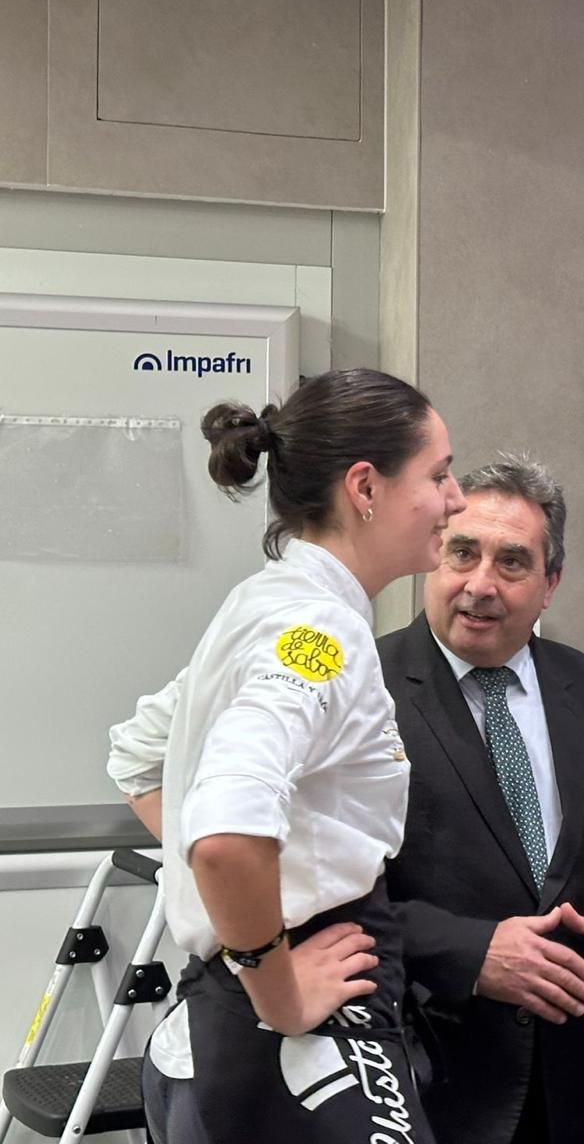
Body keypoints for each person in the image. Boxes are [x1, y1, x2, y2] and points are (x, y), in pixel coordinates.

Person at [106, 367, 468, 1142]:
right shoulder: (317, 634)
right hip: (293, 1023)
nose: (457, 498)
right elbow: (226, 836)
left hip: (234, 1008)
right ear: (365, 488)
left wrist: (238, 908)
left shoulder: (267, 605)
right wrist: (278, 985)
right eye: (439, 474)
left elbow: (138, 757)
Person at [379, 456, 584, 1144]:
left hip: (568, 1084)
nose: (480, 584)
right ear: (433, 556)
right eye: (462, 552)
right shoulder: (365, 689)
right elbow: (329, 900)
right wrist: (472, 953)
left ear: (550, 584)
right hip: (421, 1078)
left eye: (512, 562)